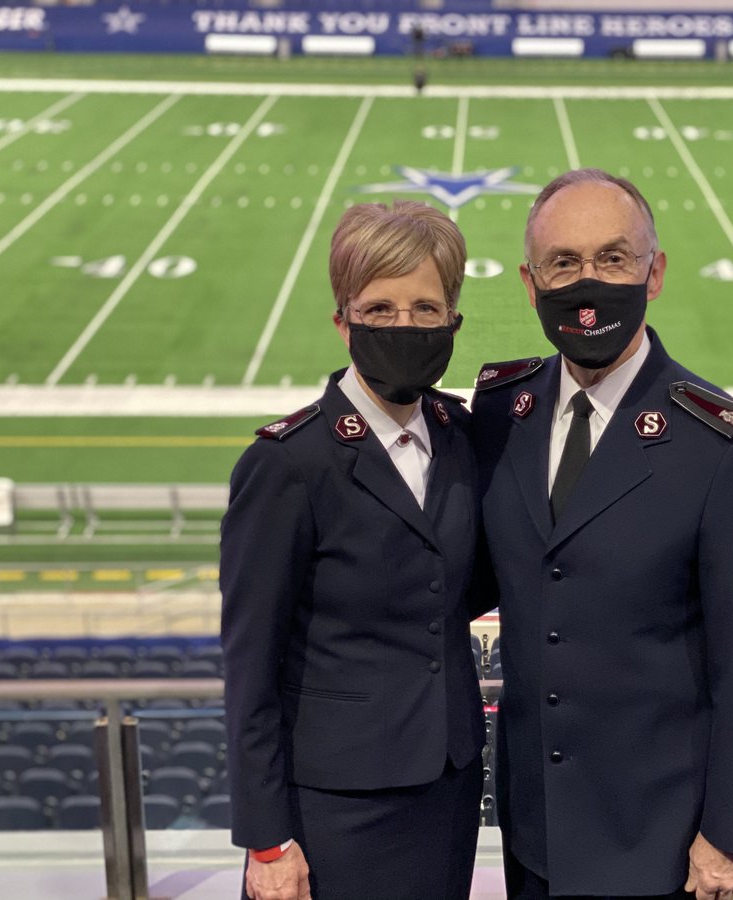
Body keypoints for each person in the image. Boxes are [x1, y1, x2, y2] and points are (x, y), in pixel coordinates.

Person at [471, 169, 733, 900]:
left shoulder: (725, 446)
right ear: (530, 284)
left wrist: (731, 836)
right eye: (564, 262)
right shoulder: (502, 411)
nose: (588, 282)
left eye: (614, 258)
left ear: (654, 275)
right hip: (532, 830)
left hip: (663, 841)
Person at [221, 200, 487, 900]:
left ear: (453, 319)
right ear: (342, 321)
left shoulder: (461, 439)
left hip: (449, 788)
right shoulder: (288, 464)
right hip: (335, 806)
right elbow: (250, 667)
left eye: (426, 309)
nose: (406, 326)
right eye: (380, 309)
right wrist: (268, 839)